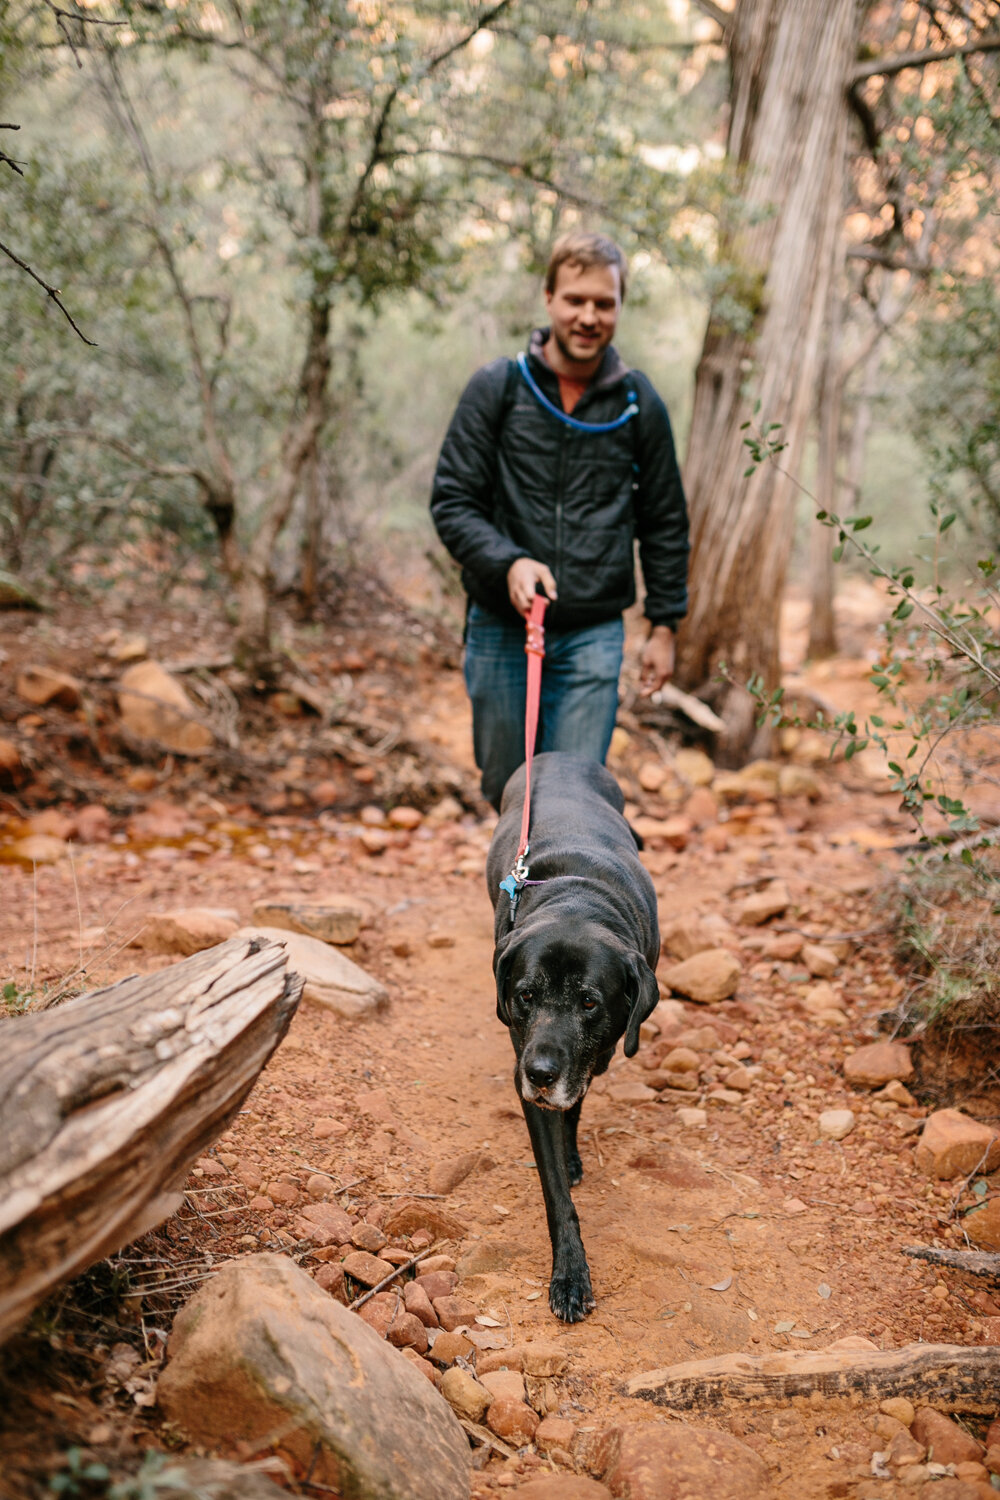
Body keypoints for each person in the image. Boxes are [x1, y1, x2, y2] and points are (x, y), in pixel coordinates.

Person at [430, 230, 689, 811]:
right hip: (501, 626)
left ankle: (562, 905)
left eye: (604, 302)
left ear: (619, 307)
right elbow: (452, 501)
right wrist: (509, 562)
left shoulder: (637, 403)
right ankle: (515, 904)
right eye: (576, 299)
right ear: (548, 298)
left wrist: (664, 624)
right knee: (507, 791)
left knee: (573, 799)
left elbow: (665, 519)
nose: (589, 316)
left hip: (594, 632)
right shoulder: (497, 388)